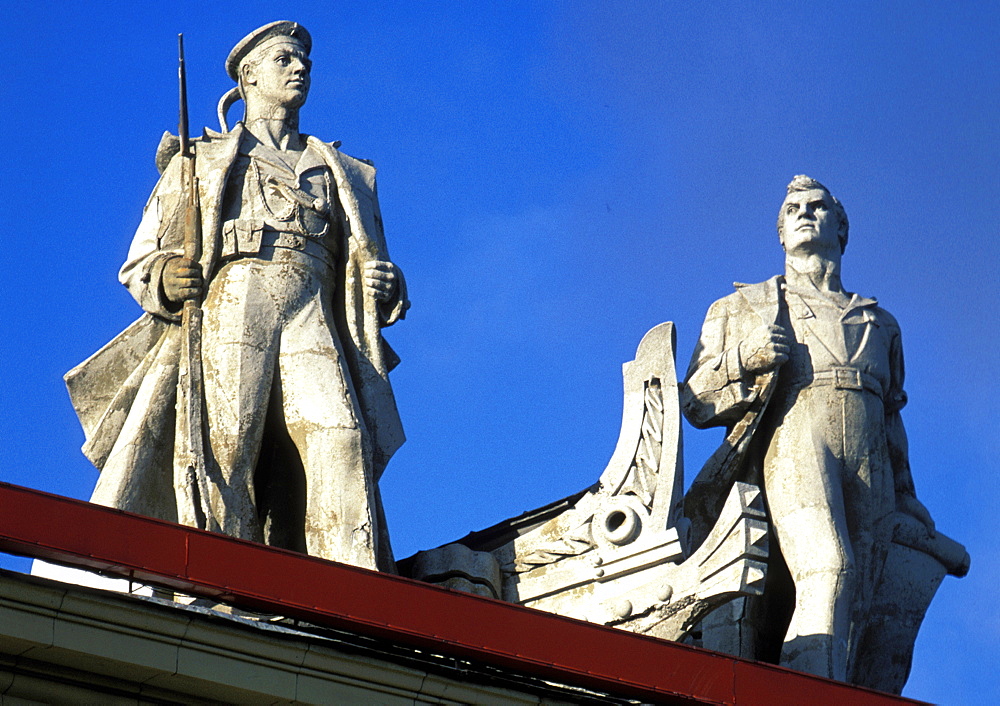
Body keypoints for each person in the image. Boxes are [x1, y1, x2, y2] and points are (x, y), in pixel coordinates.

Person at [65, 21, 408, 571]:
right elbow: (143, 257)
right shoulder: (201, 159)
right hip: (236, 297)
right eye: (284, 59)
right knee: (228, 446)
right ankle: (225, 584)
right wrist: (164, 277)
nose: (300, 69)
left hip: (314, 307)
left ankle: (355, 585)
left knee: (341, 437)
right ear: (248, 76)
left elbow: (373, 264)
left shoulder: (343, 171)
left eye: (304, 62)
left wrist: (387, 286)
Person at [680, 176, 935, 680]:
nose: (804, 213)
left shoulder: (880, 322)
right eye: (792, 207)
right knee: (829, 568)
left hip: (869, 458)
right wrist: (744, 358)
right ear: (780, 233)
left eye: (817, 207)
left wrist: (907, 495)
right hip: (794, 436)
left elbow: (891, 419)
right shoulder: (741, 307)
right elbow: (695, 399)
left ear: (840, 228)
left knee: (865, 592)